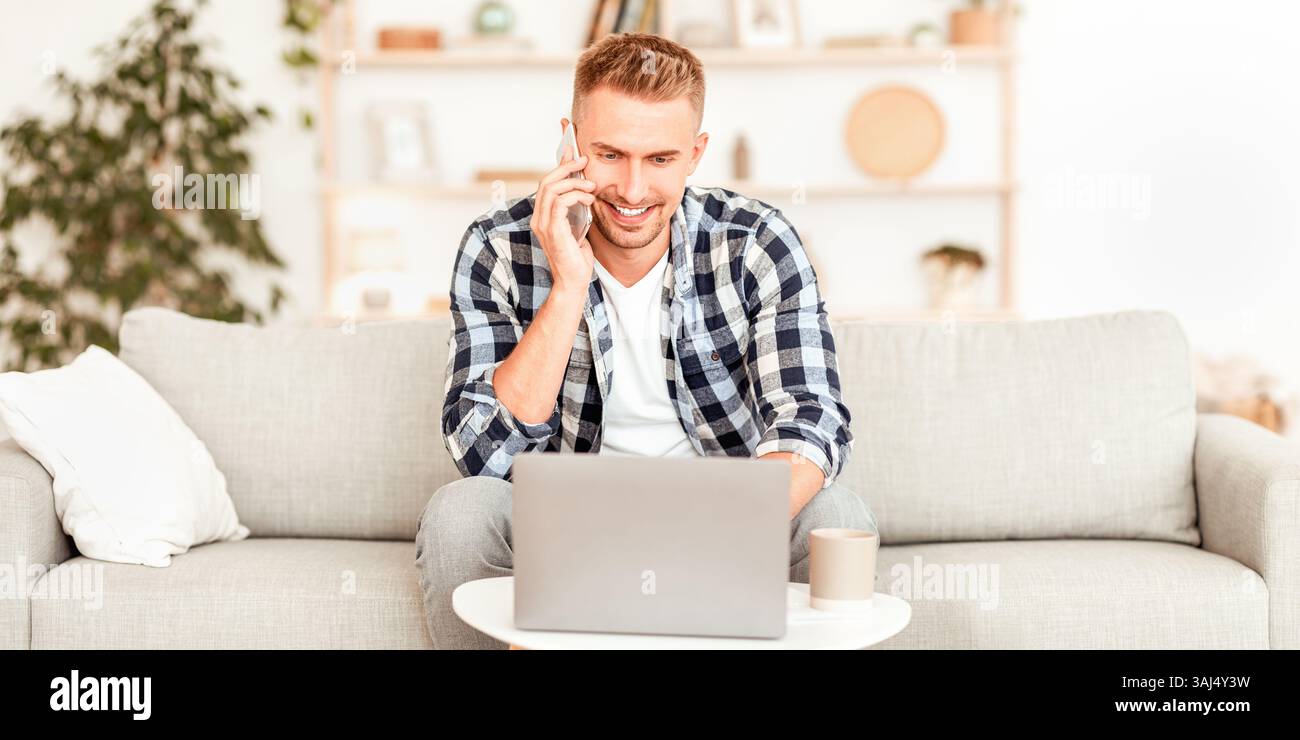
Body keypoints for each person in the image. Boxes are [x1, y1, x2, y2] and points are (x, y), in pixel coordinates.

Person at [416, 32, 876, 649]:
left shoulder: (756, 241)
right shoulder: (498, 246)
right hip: (570, 533)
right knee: (459, 512)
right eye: (610, 155)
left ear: (695, 153)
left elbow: (811, 422)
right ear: (570, 143)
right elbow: (484, 452)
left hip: (728, 525)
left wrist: (716, 532)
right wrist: (567, 287)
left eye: (660, 159)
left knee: (838, 515)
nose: (632, 191)